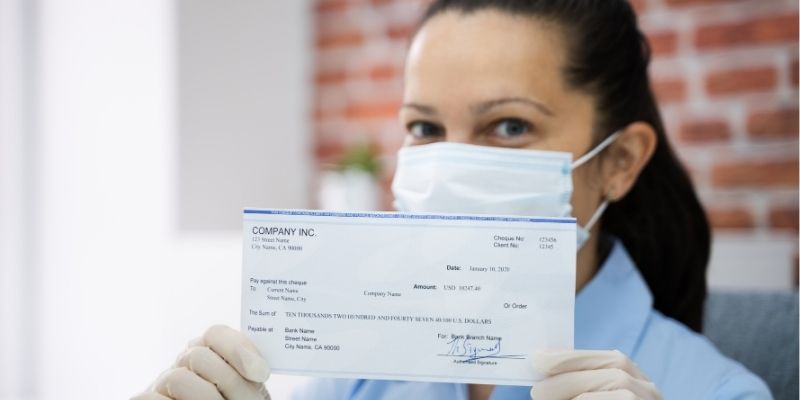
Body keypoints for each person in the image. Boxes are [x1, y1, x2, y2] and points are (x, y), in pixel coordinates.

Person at [131, 0, 773, 399]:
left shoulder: (720, 392)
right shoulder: (359, 370)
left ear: (618, 163)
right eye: (425, 129)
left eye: (510, 126)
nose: (450, 170)